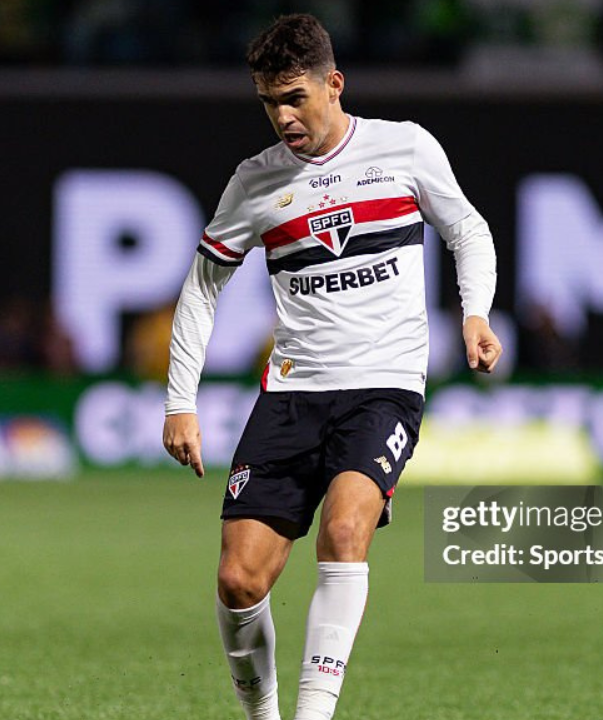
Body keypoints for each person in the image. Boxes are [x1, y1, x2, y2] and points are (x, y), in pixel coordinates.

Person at [162, 13, 501, 720]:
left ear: (334, 84)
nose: (282, 116)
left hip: (384, 387)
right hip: (292, 395)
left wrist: (475, 313)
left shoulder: (403, 148)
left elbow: (467, 227)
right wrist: (179, 402)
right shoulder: (255, 184)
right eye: (267, 101)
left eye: (294, 98)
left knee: (345, 532)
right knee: (237, 579)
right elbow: (201, 286)